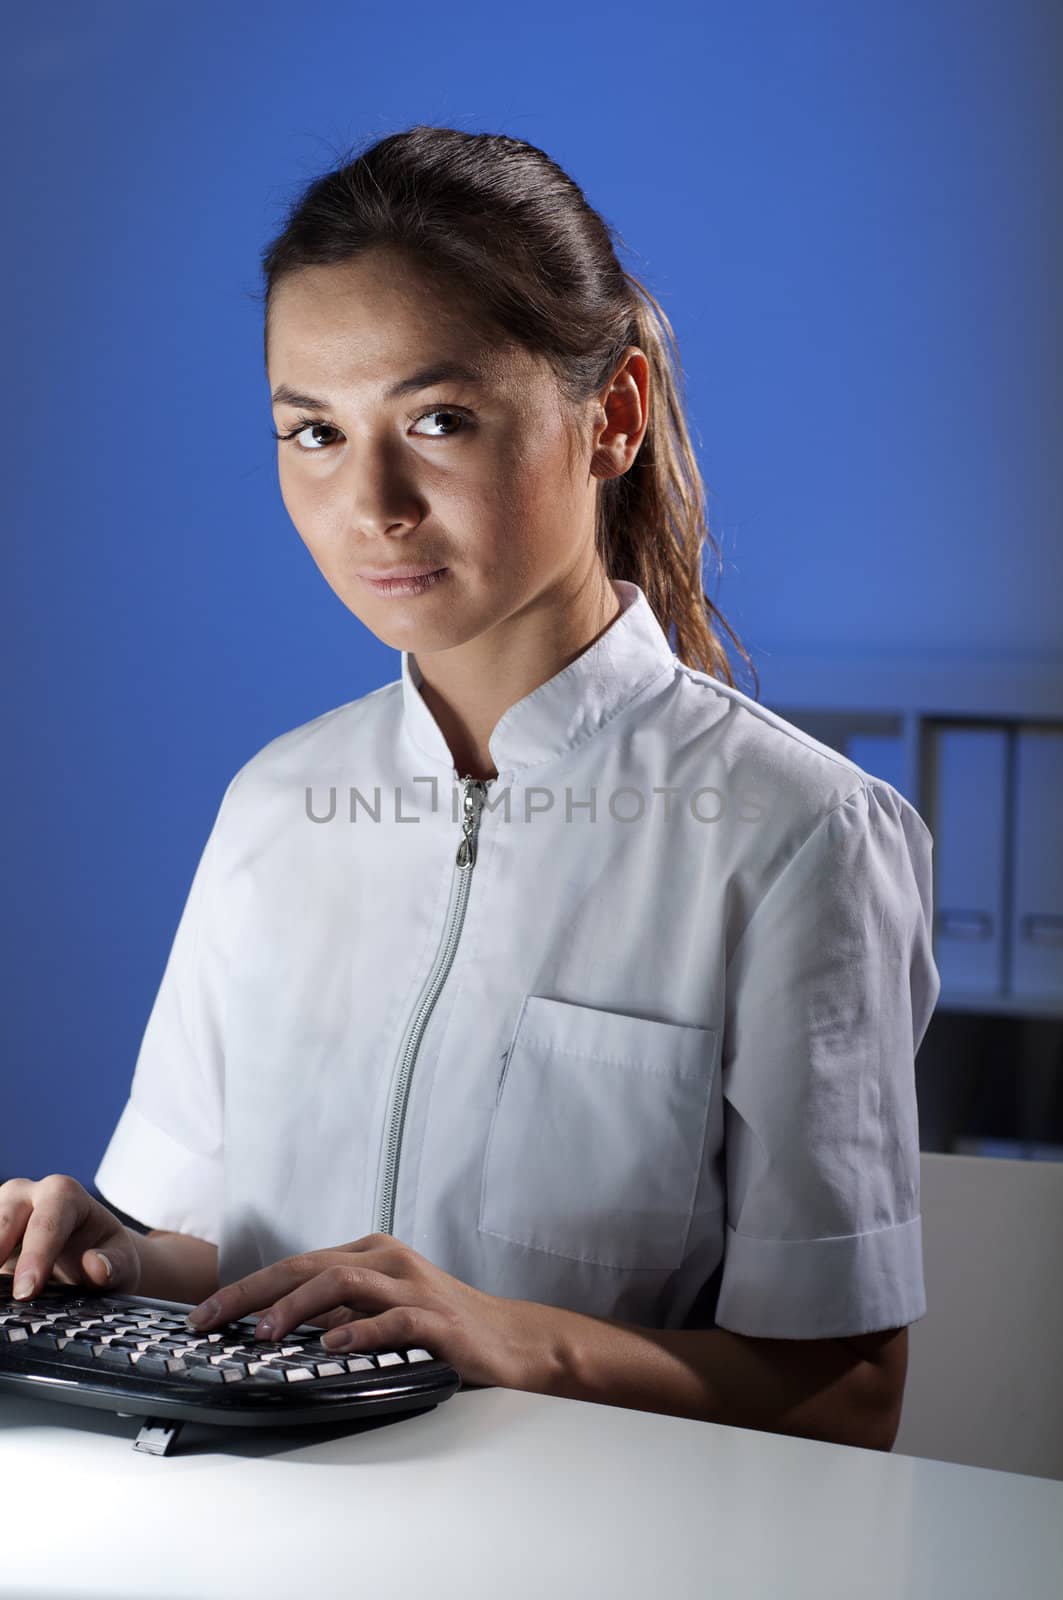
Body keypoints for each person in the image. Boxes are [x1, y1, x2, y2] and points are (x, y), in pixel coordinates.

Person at [1, 126, 939, 1448]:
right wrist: (107, 1254)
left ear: (611, 416)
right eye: (313, 432)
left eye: (437, 420)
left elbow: (849, 1395)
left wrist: (516, 1339)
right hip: (257, 1542)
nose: (370, 501)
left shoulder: (801, 839)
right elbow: (218, 1254)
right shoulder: (274, 808)